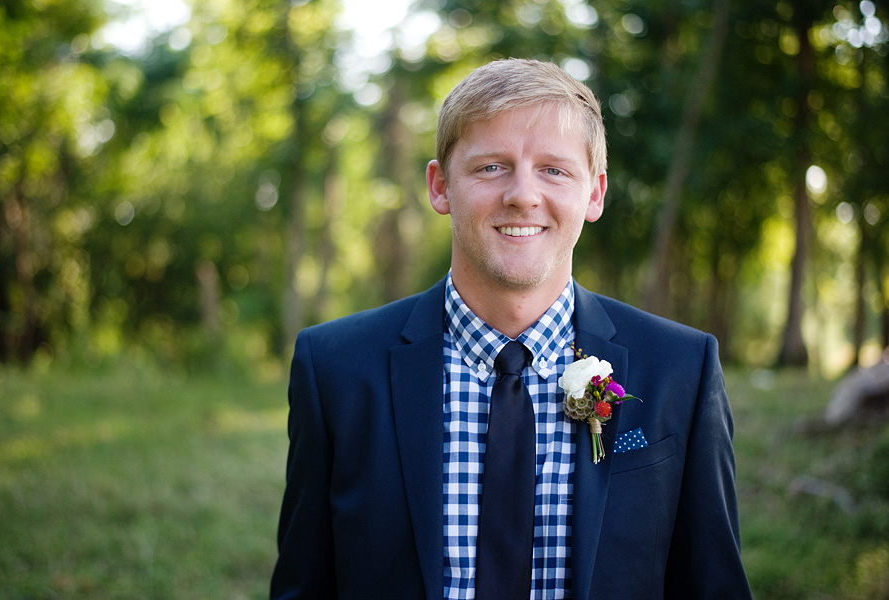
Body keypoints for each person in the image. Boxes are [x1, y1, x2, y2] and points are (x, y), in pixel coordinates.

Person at [271, 58, 752, 599]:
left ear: (594, 194)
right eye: (491, 167)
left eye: (554, 170)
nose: (522, 195)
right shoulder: (334, 369)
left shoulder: (682, 369)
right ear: (440, 187)